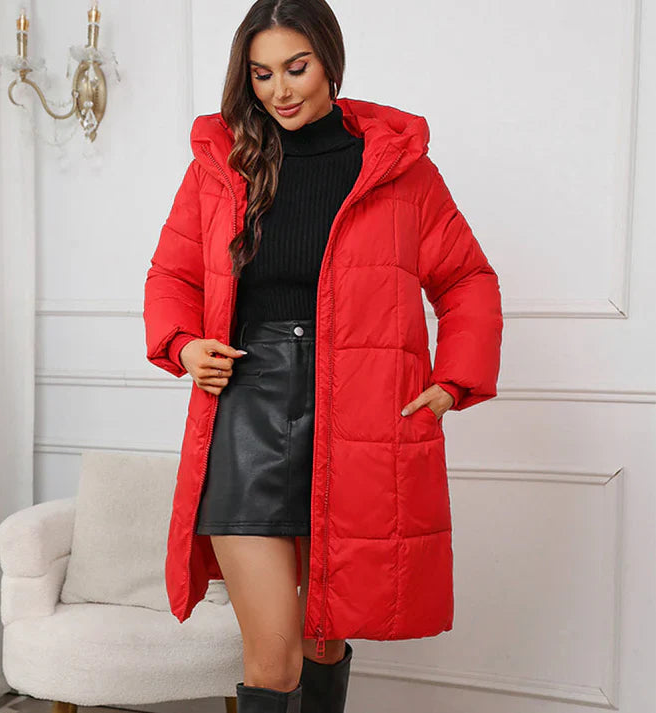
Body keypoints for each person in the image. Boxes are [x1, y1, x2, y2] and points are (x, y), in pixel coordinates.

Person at [143, 1, 503, 711]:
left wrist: (453, 380)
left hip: (357, 417)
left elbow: (467, 278)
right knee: (272, 656)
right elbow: (171, 275)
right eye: (261, 74)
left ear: (329, 61)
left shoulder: (397, 171)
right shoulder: (223, 165)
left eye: (296, 68)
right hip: (246, 408)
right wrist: (183, 346)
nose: (279, 90)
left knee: (323, 640)